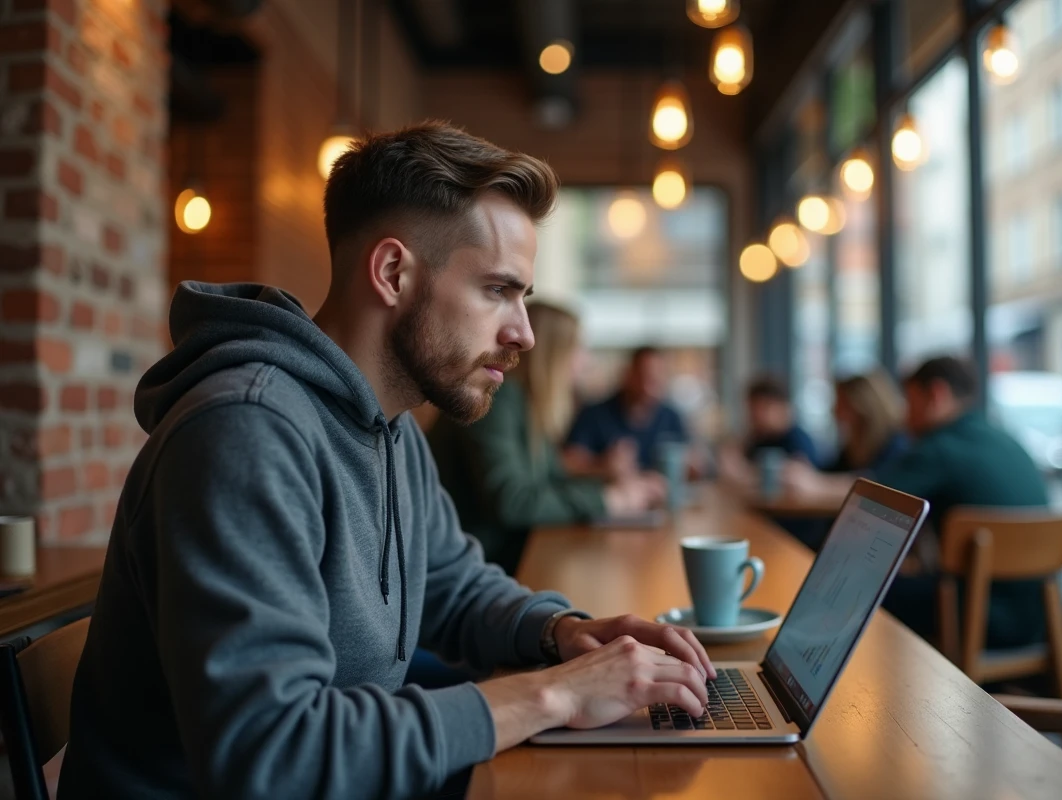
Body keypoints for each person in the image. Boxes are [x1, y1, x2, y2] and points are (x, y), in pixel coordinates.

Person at [59, 123, 715, 800]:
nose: (523, 333)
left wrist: (563, 633)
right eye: (498, 290)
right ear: (393, 272)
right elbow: (271, 754)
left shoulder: (390, 427)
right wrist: (551, 696)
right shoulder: (244, 431)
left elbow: (452, 587)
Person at [782, 356, 1049, 649]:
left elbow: (873, 494)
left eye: (910, 402)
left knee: (857, 586)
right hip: (1041, 614)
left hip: (982, 616)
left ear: (936, 395)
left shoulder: (941, 448)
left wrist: (812, 485)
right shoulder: (1003, 439)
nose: (904, 416)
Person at [428, 301, 665, 574]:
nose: (585, 361)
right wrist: (609, 500)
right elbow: (513, 502)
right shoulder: (497, 402)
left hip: (500, 562)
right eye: (578, 348)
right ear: (553, 353)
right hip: (472, 572)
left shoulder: (526, 404)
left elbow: (552, 478)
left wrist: (614, 484)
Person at [563, 346, 690, 473]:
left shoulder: (671, 417)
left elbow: (696, 459)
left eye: (656, 378)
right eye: (644, 376)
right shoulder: (594, 415)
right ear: (628, 374)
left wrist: (690, 465)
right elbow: (567, 461)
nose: (649, 386)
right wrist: (602, 464)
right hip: (608, 491)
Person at [825, 370, 908, 473]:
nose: (834, 409)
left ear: (861, 406)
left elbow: (878, 481)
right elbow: (833, 471)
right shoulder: (854, 442)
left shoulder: (895, 443)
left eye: (842, 402)